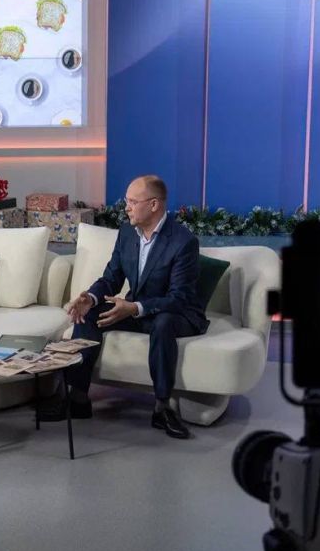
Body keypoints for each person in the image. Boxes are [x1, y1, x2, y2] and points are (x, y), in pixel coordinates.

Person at [37, 175, 209, 439]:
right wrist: (90, 298)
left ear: (153, 205)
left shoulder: (183, 241)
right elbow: (112, 278)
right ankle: (78, 399)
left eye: (132, 202)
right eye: (126, 201)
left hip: (177, 313)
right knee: (89, 314)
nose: (126, 207)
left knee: (163, 323)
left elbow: (178, 298)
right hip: (136, 309)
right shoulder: (127, 233)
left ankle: (162, 408)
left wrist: (134, 307)